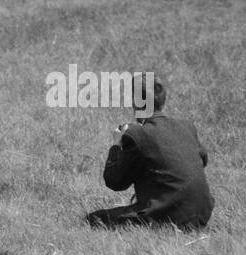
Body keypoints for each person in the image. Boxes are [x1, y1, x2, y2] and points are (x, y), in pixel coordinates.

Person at [86, 75, 214, 230]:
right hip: (201, 216)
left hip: (166, 216)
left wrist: (116, 145)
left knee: (92, 220)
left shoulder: (136, 134)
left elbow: (115, 181)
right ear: (163, 99)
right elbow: (203, 160)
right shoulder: (186, 126)